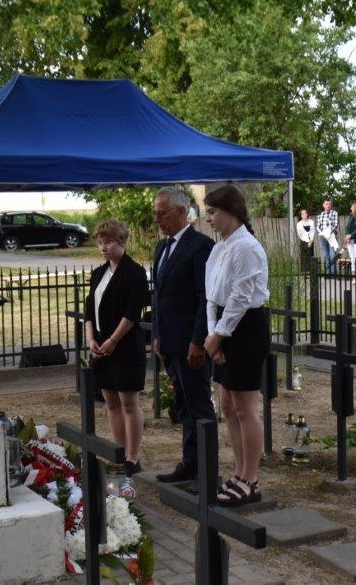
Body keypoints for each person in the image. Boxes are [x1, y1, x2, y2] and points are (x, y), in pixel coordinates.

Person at [202, 185, 271, 508]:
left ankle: (251, 479)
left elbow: (241, 298)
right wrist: (213, 336)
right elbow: (211, 297)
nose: (209, 219)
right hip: (223, 327)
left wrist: (218, 336)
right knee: (227, 405)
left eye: (213, 212)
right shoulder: (220, 248)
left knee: (245, 407)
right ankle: (239, 472)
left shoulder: (246, 247)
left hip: (245, 328)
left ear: (231, 211)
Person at [152, 188, 217, 487]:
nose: (157, 219)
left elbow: (205, 298)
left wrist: (197, 341)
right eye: (155, 213)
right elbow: (159, 296)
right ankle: (190, 464)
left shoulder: (201, 246)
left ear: (181, 212)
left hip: (190, 343)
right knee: (183, 406)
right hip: (169, 342)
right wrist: (157, 334)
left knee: (199, 406)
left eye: (161, 213)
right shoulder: (162, 247)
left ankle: (207, 473)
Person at [84, 219, 149, 497]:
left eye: (108, 242)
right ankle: (119, 452)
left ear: (122, 242)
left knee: (128, 402)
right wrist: (92, 340)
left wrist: (112, 340)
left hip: (125, 346)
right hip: (101, 347)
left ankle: (133, 457)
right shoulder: (98, 273)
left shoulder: (134, 272)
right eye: (100, 243)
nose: (103, 247)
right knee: (110, 402)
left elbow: (132, 313)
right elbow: (89, 310)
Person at [315, 199, 339, 275]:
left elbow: (335, 224)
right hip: (323, 237)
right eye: (326, 204)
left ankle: (333, 273)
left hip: (331, 236)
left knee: (332, 254)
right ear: (323, 205)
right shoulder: (320, 215)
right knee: (326, 255)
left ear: (331, 205)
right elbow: (318, 226)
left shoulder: (334, 213)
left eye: (329, 204)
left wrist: (328, 233)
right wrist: (323, 233)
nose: (328, 205)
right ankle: (328, 272)